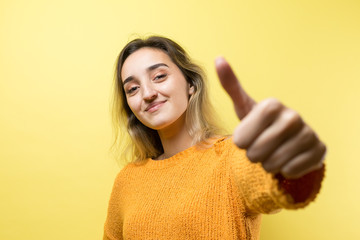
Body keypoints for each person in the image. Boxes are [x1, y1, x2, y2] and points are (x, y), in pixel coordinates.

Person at [103, 36, 326, 240]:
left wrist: (292, 159)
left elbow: (279, 186)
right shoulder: (127, 180)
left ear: (190, 84)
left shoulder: (231, 156)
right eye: (132, 89)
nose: (148, 93)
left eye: (159, 76)